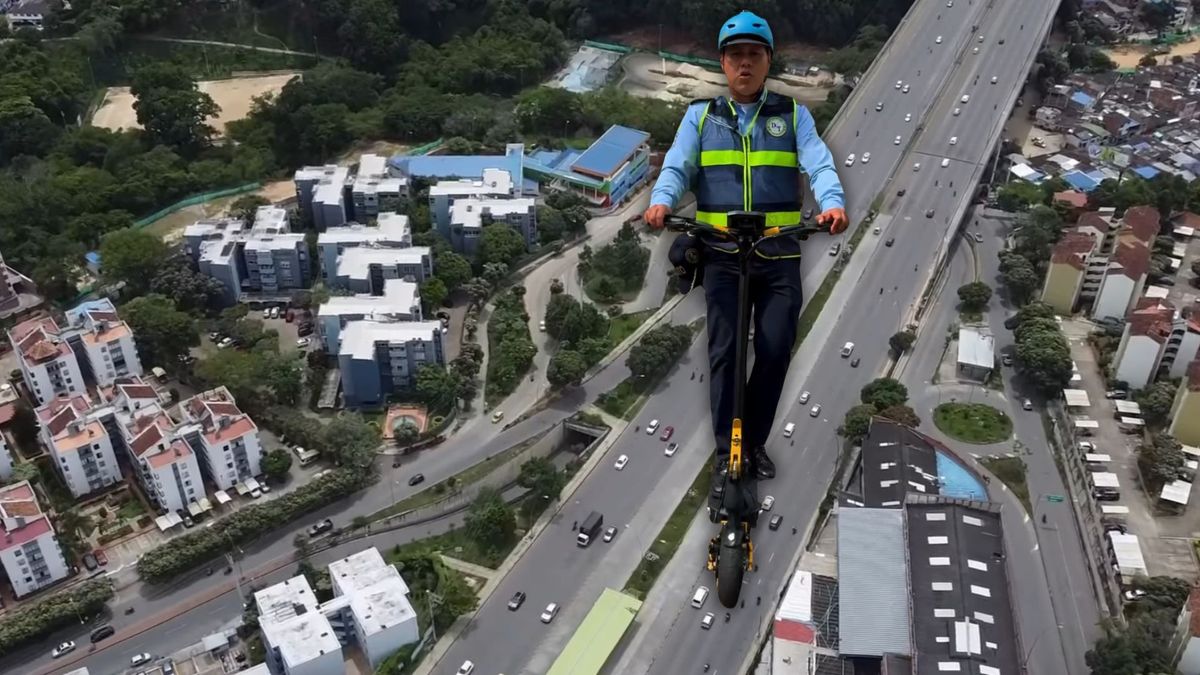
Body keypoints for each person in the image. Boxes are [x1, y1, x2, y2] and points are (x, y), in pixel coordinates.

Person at [644, 11, 847, 494]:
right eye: (735, 55)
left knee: (775, 350)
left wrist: (833, 202)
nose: (745, 63)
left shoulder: (792, 115)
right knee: (726, 354)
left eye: (754, 54)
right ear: (723, 62)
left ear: (768, 60)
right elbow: (677, 166)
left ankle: (752, 444)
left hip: (778, 252)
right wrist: (661, 200)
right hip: (721, 255)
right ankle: (725, 453)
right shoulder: (701, 116)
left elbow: (818, 163)